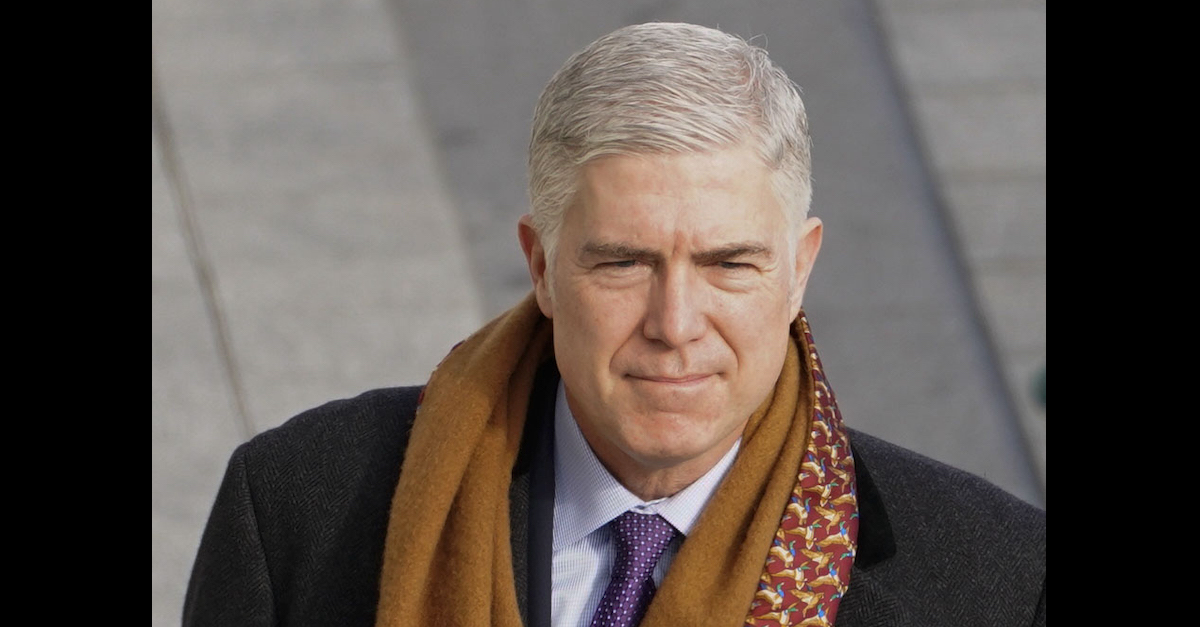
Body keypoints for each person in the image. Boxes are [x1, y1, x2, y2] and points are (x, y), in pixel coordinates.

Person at [183, 22, 1045, 627]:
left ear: (799, 270)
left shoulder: (996, 579)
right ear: (541, 265)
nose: (675, 323)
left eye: (728, 263)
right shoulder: (299, 511)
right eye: (624, 262)